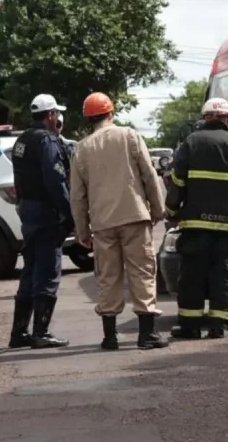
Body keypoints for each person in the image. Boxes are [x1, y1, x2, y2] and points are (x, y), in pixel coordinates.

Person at [70, 92, 168, 351]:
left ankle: (110, 337)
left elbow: (77, 196)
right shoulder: (129, 136)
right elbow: (149, 174)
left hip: (103, 223)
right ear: (111, 113)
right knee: (142, 272)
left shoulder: (82, 149)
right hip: (134, 216)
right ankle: (147, 335)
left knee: (108, 277)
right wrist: (158, 209)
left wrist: (82, 231)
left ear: (88, 119)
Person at [165, 98, 228, 340]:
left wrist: (172, 211)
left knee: (192, 274)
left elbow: (177, 182)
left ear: (205, 118)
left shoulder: (190, 143)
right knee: (223, 274)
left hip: (195, 225)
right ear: (227, 120)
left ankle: (190, 326)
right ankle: (218, 325)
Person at [8, 94, 72, 349]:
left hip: (28, 211)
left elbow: (19, 177)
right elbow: (55, 180)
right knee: (47, 271)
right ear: (50, 115)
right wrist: (68, 212)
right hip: (45, 212)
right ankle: (40, 333)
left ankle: (19, 332)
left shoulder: (21, 140)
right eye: (56, 113)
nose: (58, 118)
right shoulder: (47, 140)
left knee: (31, 270)